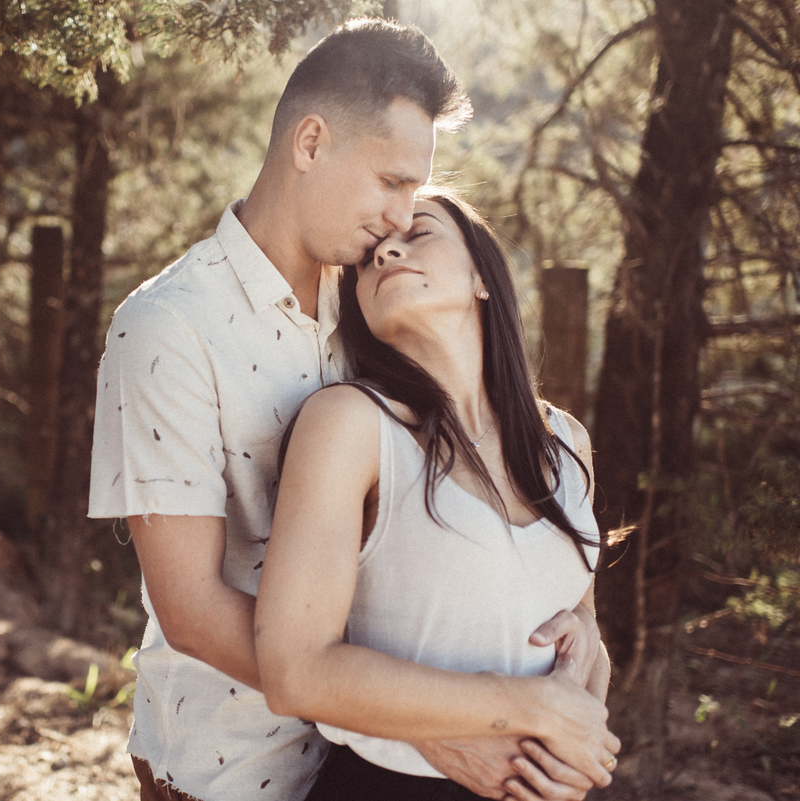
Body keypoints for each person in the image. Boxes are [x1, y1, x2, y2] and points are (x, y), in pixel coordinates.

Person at [89, 19, 606, 801]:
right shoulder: (168, 326)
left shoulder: (368, 298)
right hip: (237, 766)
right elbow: (192, 608)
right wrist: (424, 727)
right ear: (310, 143)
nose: (402, 218)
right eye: (393, 181)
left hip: (376, 770)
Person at [254, 189, 619, 801]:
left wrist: (579, 696)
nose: (386, 249)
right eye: (367, 257)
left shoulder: (566, 441)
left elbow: (579, 623)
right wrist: (522, 708)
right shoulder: (351, 425)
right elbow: (296, 671)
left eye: (418, 232)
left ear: (482, 274)